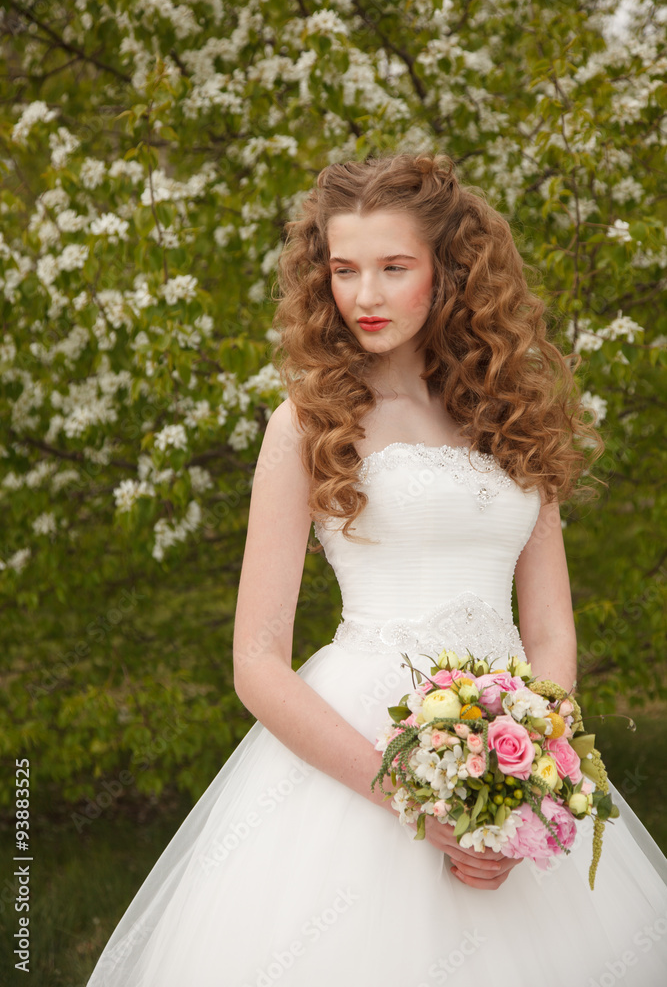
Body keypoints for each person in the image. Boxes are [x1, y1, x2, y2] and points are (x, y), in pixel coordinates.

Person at [85, 153, 667, 987]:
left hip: (509, 748)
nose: (364, 296)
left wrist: (531, 782)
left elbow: (547, 628)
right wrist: (417, 803)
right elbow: (255, 661)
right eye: (344, 270)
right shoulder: (307, 422)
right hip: (364, 745)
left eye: (394, 268)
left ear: (449, 270)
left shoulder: (514, 417)